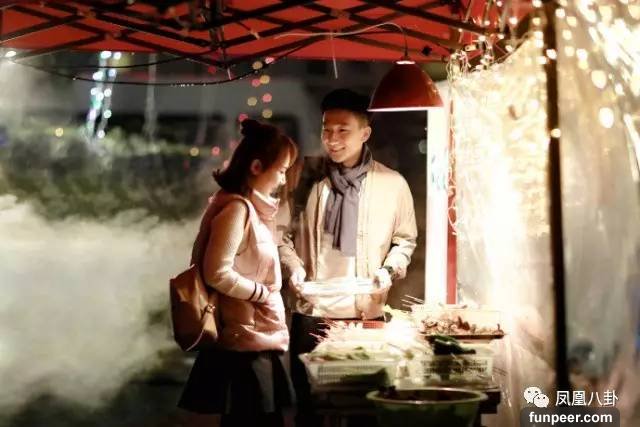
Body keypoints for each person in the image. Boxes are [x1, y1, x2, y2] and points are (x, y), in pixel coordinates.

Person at [278, 88, 418, 426]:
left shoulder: (392, 183)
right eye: (327, 129)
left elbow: (405, 241)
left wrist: (389, 270)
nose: (332, 139)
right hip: (311, 313)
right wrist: (293, 268)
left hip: (365, 315)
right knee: (309, 409)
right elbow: (279, 235)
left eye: (343, 130)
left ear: (365, 133)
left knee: (364, 409)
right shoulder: (303, 176)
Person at [178, 119, 298, 427]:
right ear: (257, 167)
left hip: (254, 335)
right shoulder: (236, 210)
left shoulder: (247, 208)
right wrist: (261, 293)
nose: (283, 179)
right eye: (281, 170)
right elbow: (216, 272)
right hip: (243, 341)